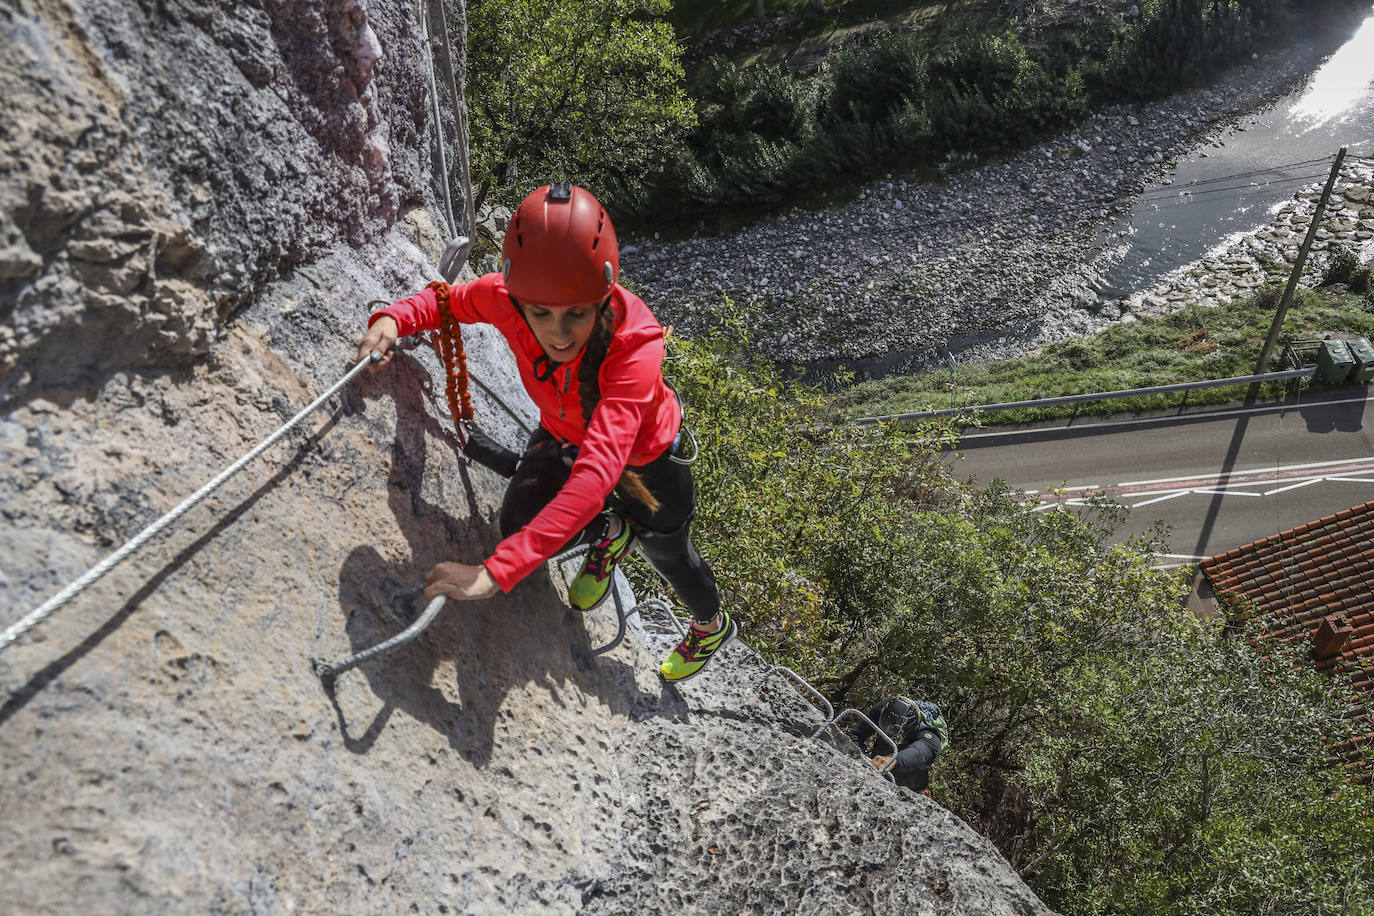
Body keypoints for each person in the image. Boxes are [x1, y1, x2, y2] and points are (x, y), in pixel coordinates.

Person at [356, 182, 735, 682]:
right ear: (520, 300)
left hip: (649, 460)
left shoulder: (633, 346)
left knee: (669, 553)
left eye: (576, 313)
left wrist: (493, 574)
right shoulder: (507, 299)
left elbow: (598, 472)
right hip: (565, 437)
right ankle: (610, 532)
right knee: (518, 527)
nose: (559, 332)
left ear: (601, 298)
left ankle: (710, 625)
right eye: (542, 314)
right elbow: (447, 304)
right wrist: (391, 319)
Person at [846, 695, 948, 794]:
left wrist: (893, 760)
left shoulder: (930, 736)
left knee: (912, 767)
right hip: (881, 757)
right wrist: (861, 758)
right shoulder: (883, 709)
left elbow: (919, 752)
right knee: (884, 744)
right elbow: (856, 734)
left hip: (909, 781)